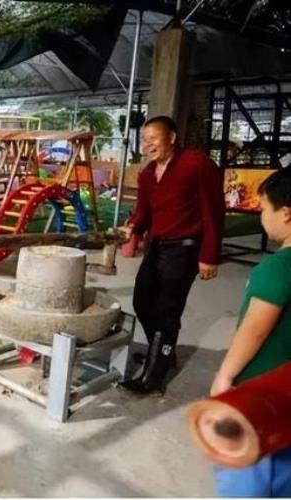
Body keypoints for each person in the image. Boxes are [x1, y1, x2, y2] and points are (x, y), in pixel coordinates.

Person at [119, 115, 225, 394]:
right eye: (145, 139)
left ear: (172, 138)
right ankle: (163, 350)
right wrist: (132, 227)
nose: (148, 144)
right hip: (157, 247)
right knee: (141, 300)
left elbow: (213, 211)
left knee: (168, 309)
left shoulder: (196, 164)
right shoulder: (147, 174)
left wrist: (210, 255)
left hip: (185, 249)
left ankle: (153, 378)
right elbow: (143, 213)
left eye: (154, 138)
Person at [210, 168, 291, 497]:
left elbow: (254, 330)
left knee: (245, 475)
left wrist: (225, 376)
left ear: (286, 214)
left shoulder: (276, 269)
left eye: (263, 209)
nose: (261, 216)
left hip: (260, 395)